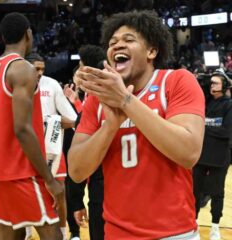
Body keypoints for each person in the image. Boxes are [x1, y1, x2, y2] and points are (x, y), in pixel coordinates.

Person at [68, 10, 205, 239]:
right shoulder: (97, 98)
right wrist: (110, 126)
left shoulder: (176, 81)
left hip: (174, 233)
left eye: (128, 40)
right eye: (113, 42)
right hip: (115, 232)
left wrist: (126, 101)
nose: (118, 45)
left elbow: (189, 152)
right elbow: (77, 171)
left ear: (151, 51)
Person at [0, 12, 63, 240]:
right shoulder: (22, 69)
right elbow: (22, 128)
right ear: (28, 34)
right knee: (53, 235)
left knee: (11, 235)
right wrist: (49, 178)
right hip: (23, 170)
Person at [25, 52, 77, 240]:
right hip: (25, 150)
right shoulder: (15, 84)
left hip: (51, 148)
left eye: (42, 69)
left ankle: (62, 233)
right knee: (25, 193)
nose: (39, 73)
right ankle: (26, 231)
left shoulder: (52, 85)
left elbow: (72, 119)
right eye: (36, 69)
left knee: (59, 193)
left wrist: (49, 122)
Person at [64, 44, 107, 240]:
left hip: (100, 179)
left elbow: (85, 129)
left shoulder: (98, 97)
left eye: (80, 66)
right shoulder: (95, 96)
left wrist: (77, 200)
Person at [193, 68, 232, 240]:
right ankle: (192, 223)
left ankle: (215, 226)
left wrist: (204, 128)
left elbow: (227, 131)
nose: (212, 85)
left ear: (224, 86)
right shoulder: (206, 101)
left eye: (216, 83)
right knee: (194, 192)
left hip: (219, 157)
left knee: (217, 193)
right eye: (211, 83)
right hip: (201, 155)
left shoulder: (229, 105)